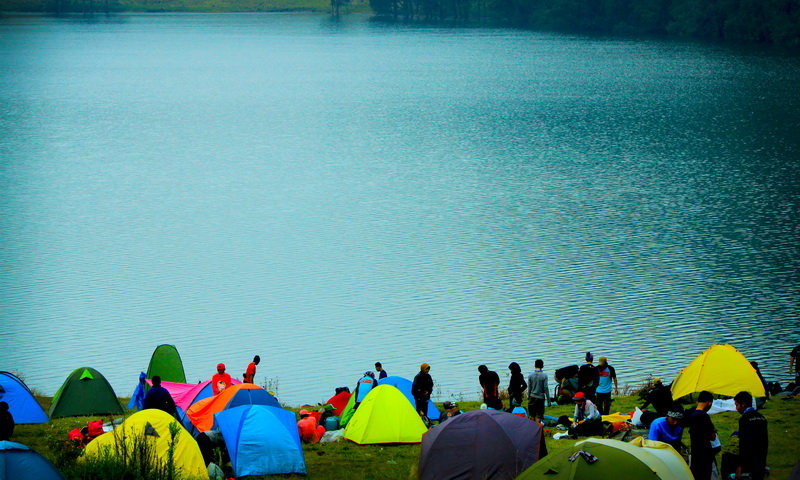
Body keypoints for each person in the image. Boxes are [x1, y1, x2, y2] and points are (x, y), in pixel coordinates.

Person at [733, 391, 768, 480]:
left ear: (743, 404)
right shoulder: (762, 417)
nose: (736, 408)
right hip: (761, 460)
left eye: (737, 405)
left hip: (749, 462)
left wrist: (740, 466)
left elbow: (744, 443)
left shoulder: (744, 419)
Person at [685, 391, 717, 480]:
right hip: (705, 452)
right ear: (709, 403)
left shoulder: (690, 414)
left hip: (694, 451)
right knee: (705, 475)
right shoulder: (704, 417)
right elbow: (712, 436)